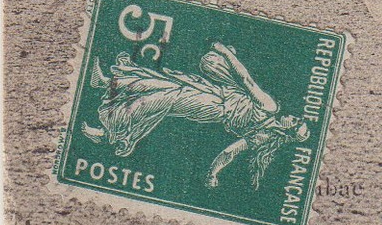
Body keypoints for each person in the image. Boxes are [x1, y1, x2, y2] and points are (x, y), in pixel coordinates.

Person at [81, 41, 311, 189]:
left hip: (214, 105)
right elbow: (229, 153)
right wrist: (213, 174)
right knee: (165, 84)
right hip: (215, 94)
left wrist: (225, 53)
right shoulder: (265, 133)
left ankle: (109, 132)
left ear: (288, 129)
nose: (294, 118)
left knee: (164, 98)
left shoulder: (270, 109)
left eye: (296, 122)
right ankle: (106, 82)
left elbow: (246, 79)